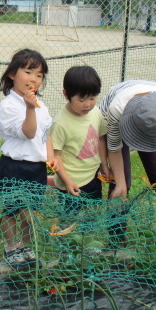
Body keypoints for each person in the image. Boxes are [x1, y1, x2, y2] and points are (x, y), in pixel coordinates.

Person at [98, 80, 156, 238]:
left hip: (154, 121)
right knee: (120, 186)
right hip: (117, 118)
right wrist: (121, 183)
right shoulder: (116, 109)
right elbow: (115, 149)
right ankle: (117, 241)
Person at [0, 49, 55, 269]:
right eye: (28, 72)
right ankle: (11, 247)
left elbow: (44, 134)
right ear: (12, 74)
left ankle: (27, 247)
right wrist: (30, 108)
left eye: (39, 75)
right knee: (11, 210)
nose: (34, 79)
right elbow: (28, 132)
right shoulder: (9, 106)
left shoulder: (42, 107)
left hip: (36, 168)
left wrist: (50, 157)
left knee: (31, 212)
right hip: (14, 167)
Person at [50, 66, 110, 218]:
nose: (88, 104)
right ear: (66, 94)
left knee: (93, 213)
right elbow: (55, 157)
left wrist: (104, 165)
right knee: (69, 218)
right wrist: (68, 182)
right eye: (81, 99)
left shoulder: (95, 112)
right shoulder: (61, 123)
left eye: (92, 98)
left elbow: (101, 139)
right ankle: (65, 240)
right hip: (71, 181)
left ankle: (88, 237)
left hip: (93, 176)